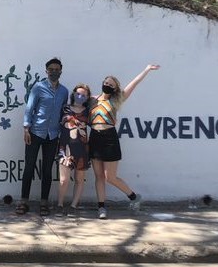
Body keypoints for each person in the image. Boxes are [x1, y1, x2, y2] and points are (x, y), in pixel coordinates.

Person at [89, 64, 160, 219]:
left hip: (109, 138)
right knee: (99, 176)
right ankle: (101, 208)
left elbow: (133, 83)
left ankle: (134, 197)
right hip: (94, 137)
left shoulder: (116, 100)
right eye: (106, 83)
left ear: (115, 89)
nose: (107, 85)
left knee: (110, 177)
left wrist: (146, 70)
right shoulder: (92, 99)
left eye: (111, 85)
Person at [16, 58, 69, 216]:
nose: (54, 72)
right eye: (51, 69)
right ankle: (24, 201)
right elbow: (29, 108)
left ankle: (44, 203)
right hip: (35, 133)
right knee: (29, 167)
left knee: (47, 170)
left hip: (52, 136)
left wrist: (63, 133)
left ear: (61, 71)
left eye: (56, 69)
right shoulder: (38, 87)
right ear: (46, 71)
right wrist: (26, 129)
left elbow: (63, 112)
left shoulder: (64, 91)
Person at [55, 83, 91, 215]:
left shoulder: (88, 111)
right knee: (64, 179)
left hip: (82, 149)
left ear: (87, 97)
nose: (80, 96)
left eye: (84, 95)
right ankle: (59, 204)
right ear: (74, 94)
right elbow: (61, 122)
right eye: (78, 93)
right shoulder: (65, 108)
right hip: (65, 148)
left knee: (79, 179)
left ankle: (74, 206)